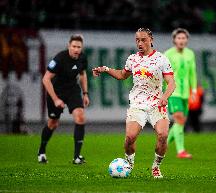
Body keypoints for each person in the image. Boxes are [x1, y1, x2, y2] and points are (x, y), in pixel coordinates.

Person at [92, 28, 175, 178]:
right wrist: (105, 69)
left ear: (151, 40)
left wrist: (165, 97)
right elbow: (122, 75)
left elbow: (171, 83)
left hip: (157, 105)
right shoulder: (132, 59)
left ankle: (156, 166)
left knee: (163, 135)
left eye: (143, 39)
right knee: (130, 138)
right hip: (137, 104)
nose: (140, 43)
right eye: (137, 40)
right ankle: (128, 163)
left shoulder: (161, 59)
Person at [37, 34, 89, 164]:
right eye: (74, 46)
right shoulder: (60, 58)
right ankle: (41, 152)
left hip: (72, 90)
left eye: (79, 47)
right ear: (69, 46)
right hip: (56, 91)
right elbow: (46, 79)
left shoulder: (82, 58)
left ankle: (77, 157)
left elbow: (82, 74)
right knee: (53, 123)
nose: (76, 49)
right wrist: (55, 99)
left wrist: (85, 93)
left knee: (80, 117)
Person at [165, 28, 197, 159]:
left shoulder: (190, 54)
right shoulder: (167, 54)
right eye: (179, 38)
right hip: (173, 92)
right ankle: (181, 151)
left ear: (187, 40)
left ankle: (163, 144)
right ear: (174, 40)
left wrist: (194, 90)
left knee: (181, 122)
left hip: (185, 93)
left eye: (184, 38)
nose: (181, 40)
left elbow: (192, 73)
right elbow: (163, 74)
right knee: (178, 118)